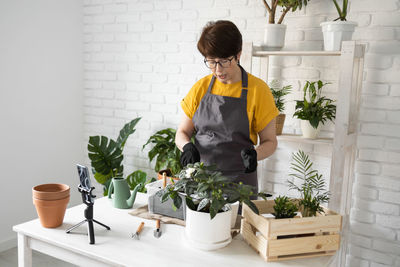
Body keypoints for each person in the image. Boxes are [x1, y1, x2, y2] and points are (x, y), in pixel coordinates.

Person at [175, 20, 279, 195]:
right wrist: (186, 146)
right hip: (201, 180)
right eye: (211, 61)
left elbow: (270, 142)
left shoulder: (258, 90)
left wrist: (255, 155)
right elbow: (182, 132)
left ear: (238, 55)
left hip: (240, 183)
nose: (217, 69)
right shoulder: (200, 88)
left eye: (224, 61)